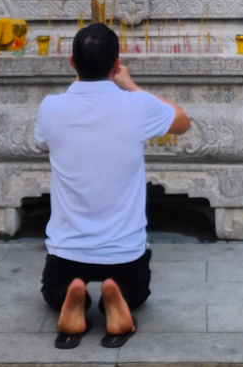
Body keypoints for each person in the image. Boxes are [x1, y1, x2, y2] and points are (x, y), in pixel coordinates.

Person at [34, 22, 191, 349]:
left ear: (71, 63)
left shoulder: (51, 107)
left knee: (52, 292)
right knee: (137, 292)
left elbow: (43, 144)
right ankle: (115, 298)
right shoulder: (136, 107)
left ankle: (71, 293)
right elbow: (182, 121)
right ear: (116, 64)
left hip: (68, 251)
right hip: (124, 253)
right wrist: (130, 85)